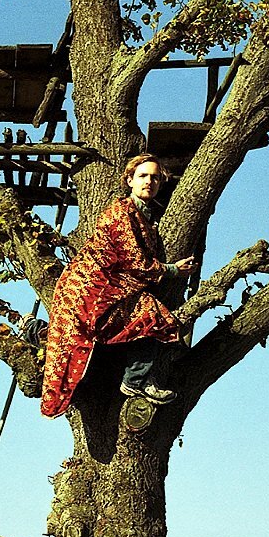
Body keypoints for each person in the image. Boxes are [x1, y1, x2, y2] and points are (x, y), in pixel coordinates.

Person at [25, 153, 198, 419]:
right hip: (89, 290)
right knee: (151, 316)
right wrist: (173, 270)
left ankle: (34, 330)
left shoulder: (144, 216)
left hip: (105, 290)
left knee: (75, 341)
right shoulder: (121, 212)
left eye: (154, 178)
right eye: (142, 176)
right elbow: (134, 261)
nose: (149, 182)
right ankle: (136, 381)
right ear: (130, 179)